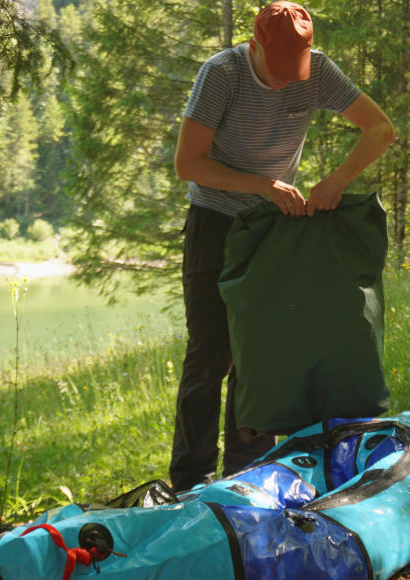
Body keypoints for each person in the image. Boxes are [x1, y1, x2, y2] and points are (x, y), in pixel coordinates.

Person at [169, 1, 396, 492]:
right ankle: (191, 481)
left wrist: (336, 181)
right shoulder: (221, 75)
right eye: (277, 70)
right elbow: (188, 164)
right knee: (210, 356)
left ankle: (246, 477)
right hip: (215, 222)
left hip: (269, 230)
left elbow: (380, 129)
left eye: (295, 70)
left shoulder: (316, 71)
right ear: (255, 45)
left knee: (260, 355)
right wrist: (264, 185)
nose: (286, 82)